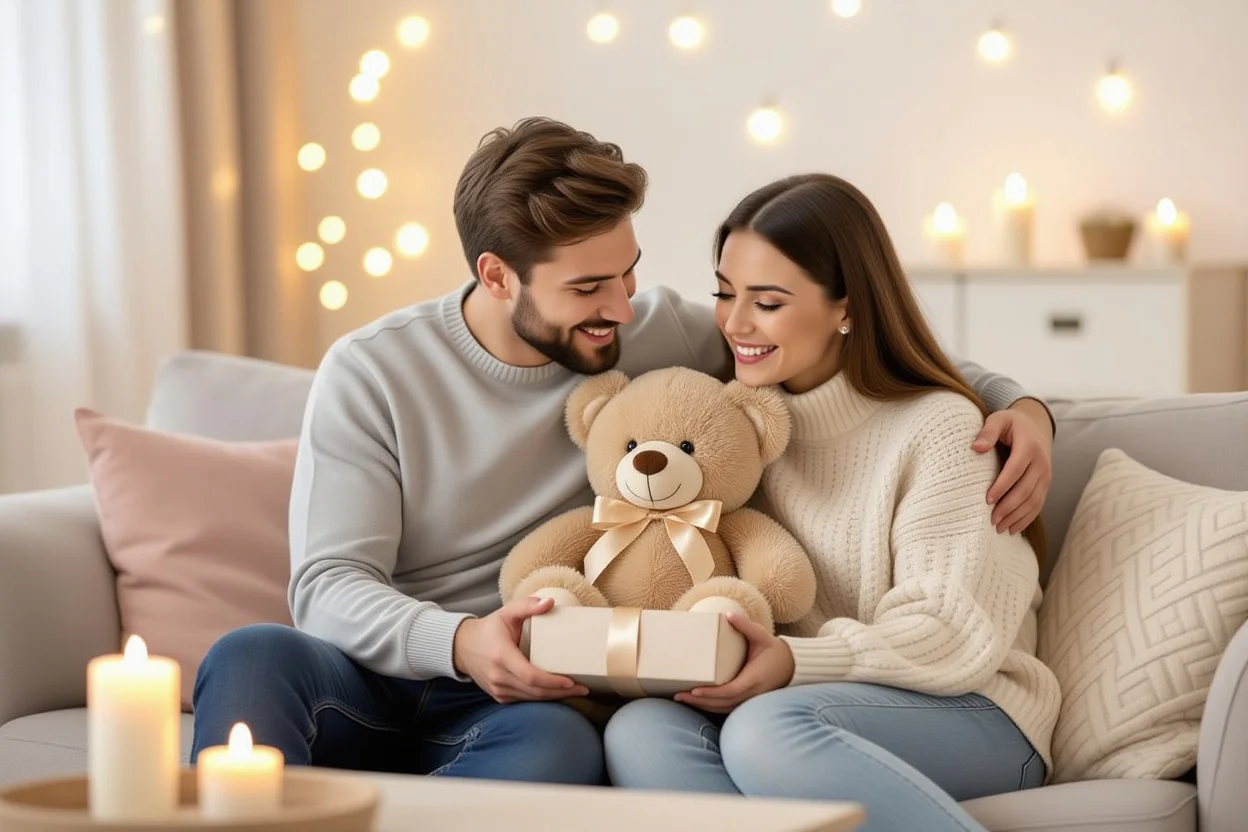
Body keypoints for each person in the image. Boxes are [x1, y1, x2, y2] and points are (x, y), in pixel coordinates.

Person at [189, 118, 1055, 784]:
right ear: (498, 277)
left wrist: (1018, 405)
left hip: (534, 697)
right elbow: (327, 588)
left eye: (630, 272)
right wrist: (461, 641)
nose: (622, 304)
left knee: (573, 746)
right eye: (588, 287)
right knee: (252, 654)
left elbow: (850, 347)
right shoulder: (373, 370)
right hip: (385, 671)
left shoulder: (647, 334)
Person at [601, 172, 1062, 831]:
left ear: (846, 307)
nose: (734, 323)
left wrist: (795, 661)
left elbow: (950, 631)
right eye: (725, 294)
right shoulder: (734, 428)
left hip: (976, 707)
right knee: (642, 729)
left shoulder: (941, 428)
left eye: (767, 301)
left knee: (766, 730)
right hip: (805, 699)